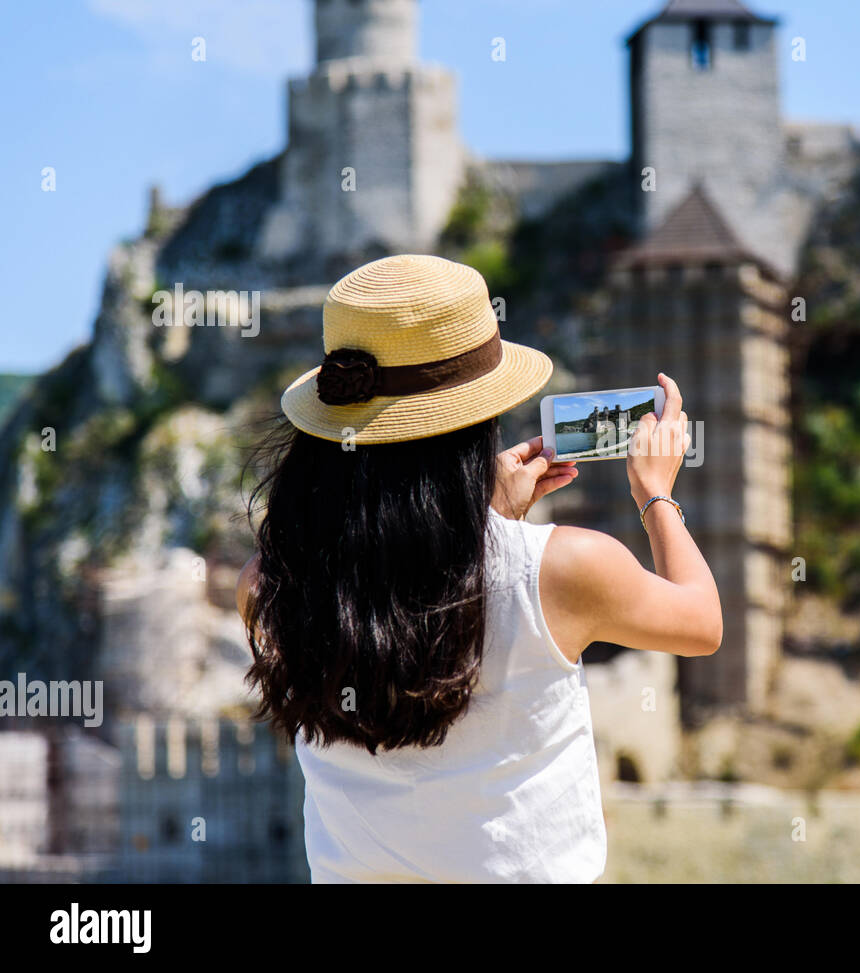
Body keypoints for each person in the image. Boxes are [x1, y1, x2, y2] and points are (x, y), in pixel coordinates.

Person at [235, 254, 722, 883]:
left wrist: (474, 519)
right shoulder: (564, 568)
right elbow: (702, 622)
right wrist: (655, 492)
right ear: (475, 426)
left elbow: (398, 587)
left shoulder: (267, 587)